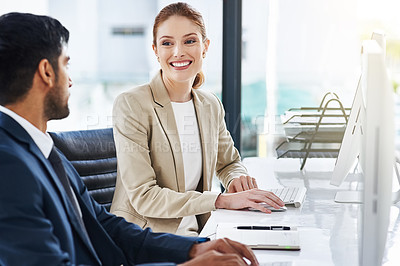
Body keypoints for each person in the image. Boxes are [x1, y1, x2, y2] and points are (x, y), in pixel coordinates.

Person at [0, 12, 259, 266]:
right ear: (46, 72)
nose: (71, 80)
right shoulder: (8, 165)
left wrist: (193, 249)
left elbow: (107, 227)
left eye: (189, 41)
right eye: (65, 64)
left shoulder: (44, 151)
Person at [111, 2, 284, 237]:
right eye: (167, 43)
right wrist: (221, 200)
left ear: (205, 47)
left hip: (201, 232)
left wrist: (237, 179)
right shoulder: (132, 104)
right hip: (147, 239)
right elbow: (144, 197)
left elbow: (228, 163)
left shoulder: (210, 104)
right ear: (156, 50)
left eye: (189, 41)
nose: (178, 52)